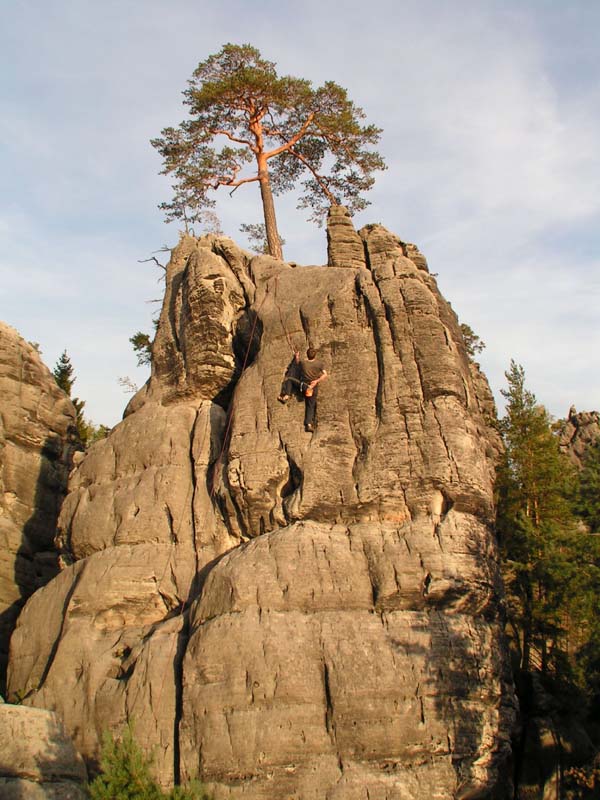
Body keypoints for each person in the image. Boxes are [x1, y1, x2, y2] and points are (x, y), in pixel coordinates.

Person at [299, 346, 327, 432]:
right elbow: (325, 374)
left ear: (307, 355)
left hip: (304, 385)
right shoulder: (319, 364)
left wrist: (297, 356)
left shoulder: (303, 363)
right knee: (310, 405)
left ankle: (286, 394)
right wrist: (316, 381)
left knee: (292, 380)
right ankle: (308, 424)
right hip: (313, 386)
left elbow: (298, 362)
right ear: (315, 355)